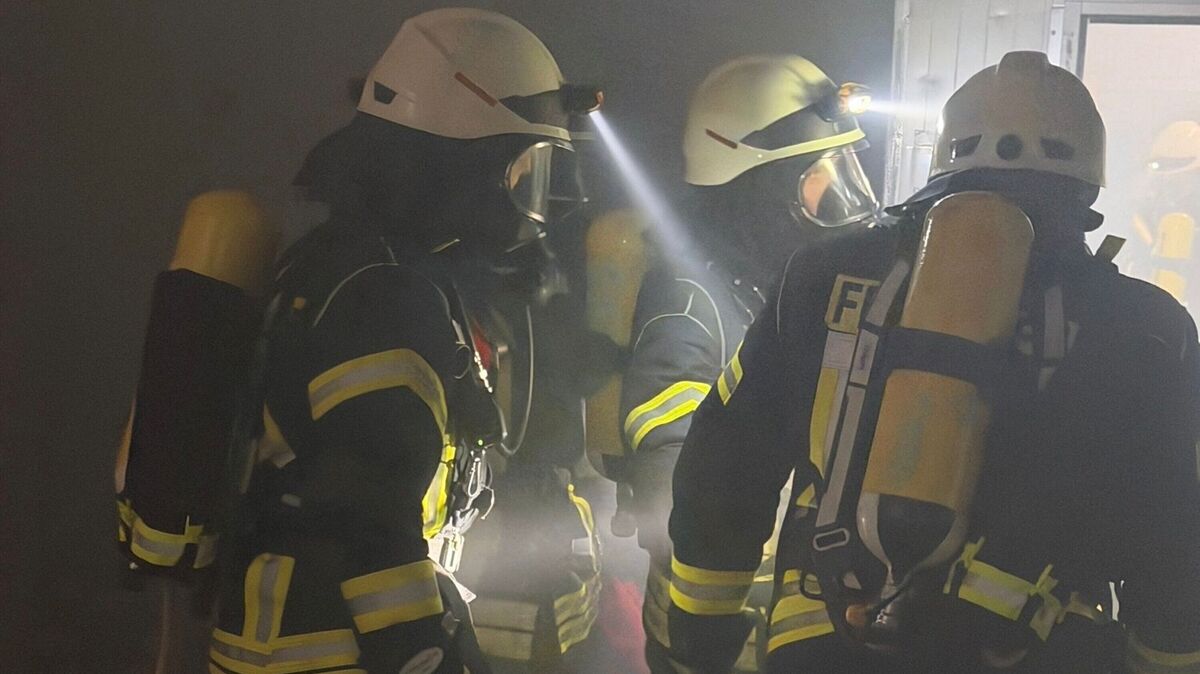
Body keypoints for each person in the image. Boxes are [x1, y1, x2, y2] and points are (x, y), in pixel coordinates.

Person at [666, 50, 1200, 674]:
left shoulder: (818, 277)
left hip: (828, 641)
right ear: (1087, 179)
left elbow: (723, 465)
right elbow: (1175, 532)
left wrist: (699, 632)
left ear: (947, 157)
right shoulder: (1147, 327)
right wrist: (1168, 659)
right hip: (1036, 652)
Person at [206, 9, 600, 673]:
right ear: (459, 161)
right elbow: (366, 508)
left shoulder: (374, 270)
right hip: (328, 651)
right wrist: (422, 653)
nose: (549, 201)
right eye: (529, 170)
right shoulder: (381, 293)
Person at [608, 55, 879, 672]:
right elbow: (669, 465)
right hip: (713, 619)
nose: (843, 201)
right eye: (820, 181)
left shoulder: (762, 290)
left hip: (751, 605)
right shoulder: (688, 300)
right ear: (761, 189)